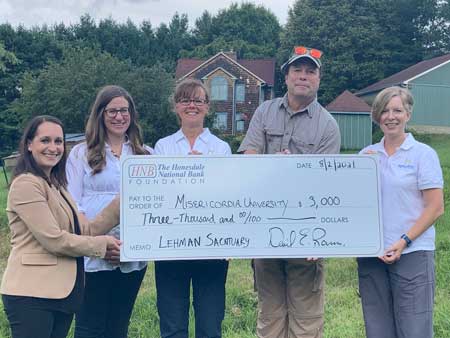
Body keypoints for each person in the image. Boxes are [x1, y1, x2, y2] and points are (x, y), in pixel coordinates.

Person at [238, 46, 341, 338]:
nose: (304, 76)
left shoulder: (327, 126)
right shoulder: (264, 112)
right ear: (286, 76)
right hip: (264, 230)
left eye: (311, 71)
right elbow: (248, 160)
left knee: (306, 321)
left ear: (319, 79)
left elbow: (326, 184)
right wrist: (275, 166)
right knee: (269, 317)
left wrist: (320, 235)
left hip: (306, 233)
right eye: (298, 70)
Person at [1, 115, 121, 338]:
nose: (53, 148)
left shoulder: (56, 186)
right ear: (29, 144)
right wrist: (101, 245)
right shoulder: (26, 184)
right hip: (32, 295)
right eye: (45, 140)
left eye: (58, 141)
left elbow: (82, 231)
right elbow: (54, 240)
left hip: (61, 294)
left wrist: (122, 203)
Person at [357, 86, 444, 338]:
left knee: (414, 329)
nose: (390, 116)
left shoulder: (423, 155)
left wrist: (403, 241)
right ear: (377, 116)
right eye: (384, 111)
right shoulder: (366, 156)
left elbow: (435, 207)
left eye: (397, 110)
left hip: (412, 253)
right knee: (378, 328)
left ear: (408, 114)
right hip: (372, 254)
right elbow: (352, 206)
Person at [66, 85, 151, 338]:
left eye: (124, 110)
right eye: (112, 110)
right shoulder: (81, 153)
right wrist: (96, 243)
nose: (119, 116)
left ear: (131, 115)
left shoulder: (145, 154)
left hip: (130, 252)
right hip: (92, 254)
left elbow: (154, 207)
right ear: (100, 114)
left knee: (118, 325)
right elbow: (72, 202)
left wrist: (130, 247)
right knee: (89, 326)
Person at [153, 78, 231, 338]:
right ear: (176, 107)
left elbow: (228, 196)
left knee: (210, 324)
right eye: (185, 100)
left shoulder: (221, 149)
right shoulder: (162, 147)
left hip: (211, 245)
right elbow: (157, 193)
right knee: (173, 324)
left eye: (198, 100)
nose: (192, 106)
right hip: (171, 244)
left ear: (208, 107)